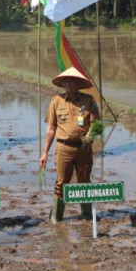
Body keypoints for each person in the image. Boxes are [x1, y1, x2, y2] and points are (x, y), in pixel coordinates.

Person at [39, 67, 101, 223]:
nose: (68, 83)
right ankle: (56, 217)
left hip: (84, 148)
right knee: (61, 183)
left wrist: (89, 136)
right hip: (63, 148)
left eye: (72, 81)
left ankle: (86, 215)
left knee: (84, 181)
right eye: (65, 81)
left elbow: (96, 124)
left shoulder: (89, 101)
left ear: (78, 84)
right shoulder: (56, 101)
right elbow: (51, 128)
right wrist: (44, 152)